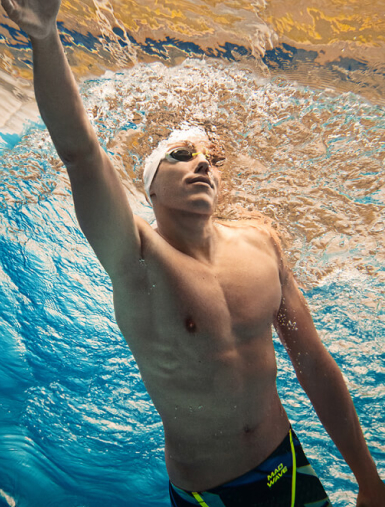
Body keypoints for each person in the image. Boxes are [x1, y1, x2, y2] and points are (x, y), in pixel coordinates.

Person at [1, 0, 384, 506]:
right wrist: (46, 37)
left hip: (288, 466)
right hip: (210, 494)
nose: (202, 163)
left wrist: (368, 478)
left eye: (210, 158)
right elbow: (80, 151)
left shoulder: (261, 244)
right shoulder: (137, 257)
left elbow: (313, 363)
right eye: (181, 156)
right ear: (150, 187)